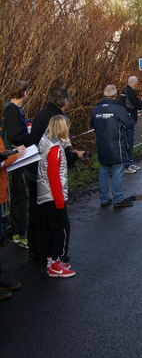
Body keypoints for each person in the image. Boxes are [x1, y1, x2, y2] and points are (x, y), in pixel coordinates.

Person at [27, 87, 84, 259]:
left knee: (37, 212)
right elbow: (61, 151)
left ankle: (37, 248)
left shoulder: (40, 115)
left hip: (33, 168)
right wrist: (74, 157)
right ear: (65, 103)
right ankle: (55, 254)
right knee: (56, 219)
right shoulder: (58, 120)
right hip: (48, 176)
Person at [37, 115, 76, 276]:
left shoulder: (47, 144)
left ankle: (52, 261)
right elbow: (53, 176)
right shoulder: (55, 150)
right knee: (61, 229)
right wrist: (60, 200)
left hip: (47, 194)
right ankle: (56, 261)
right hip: (54, 196)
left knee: (51, 228)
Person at [91, 85, 134, 208]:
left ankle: (104, 198)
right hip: (117, 147)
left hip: (102, 146)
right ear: (115, 95)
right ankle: (118, 198)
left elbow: (93, 126)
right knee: (117, 172)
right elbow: (129, 124)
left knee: (104, 171)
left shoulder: (96, 110)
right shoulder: (119, 109)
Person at [2, 80, 31, 248]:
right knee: (21, 194)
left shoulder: (10, 109)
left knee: (17, 193)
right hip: (15, 155)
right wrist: (29, 137)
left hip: (12, 155)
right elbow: (15, 135)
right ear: (24, 93)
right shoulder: (12, 110)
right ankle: (20, 233)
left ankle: (16, 231)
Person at [119, 76, 142, 174]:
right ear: (136, 83)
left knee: (127, 142)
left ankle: (130, 162)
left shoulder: (124, 91)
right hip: (130, 120)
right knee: (129, 142)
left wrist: (140, 99)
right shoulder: (131, 92)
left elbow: (131, 104)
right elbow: (139, 106)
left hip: (124, 119)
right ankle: (127, 164)